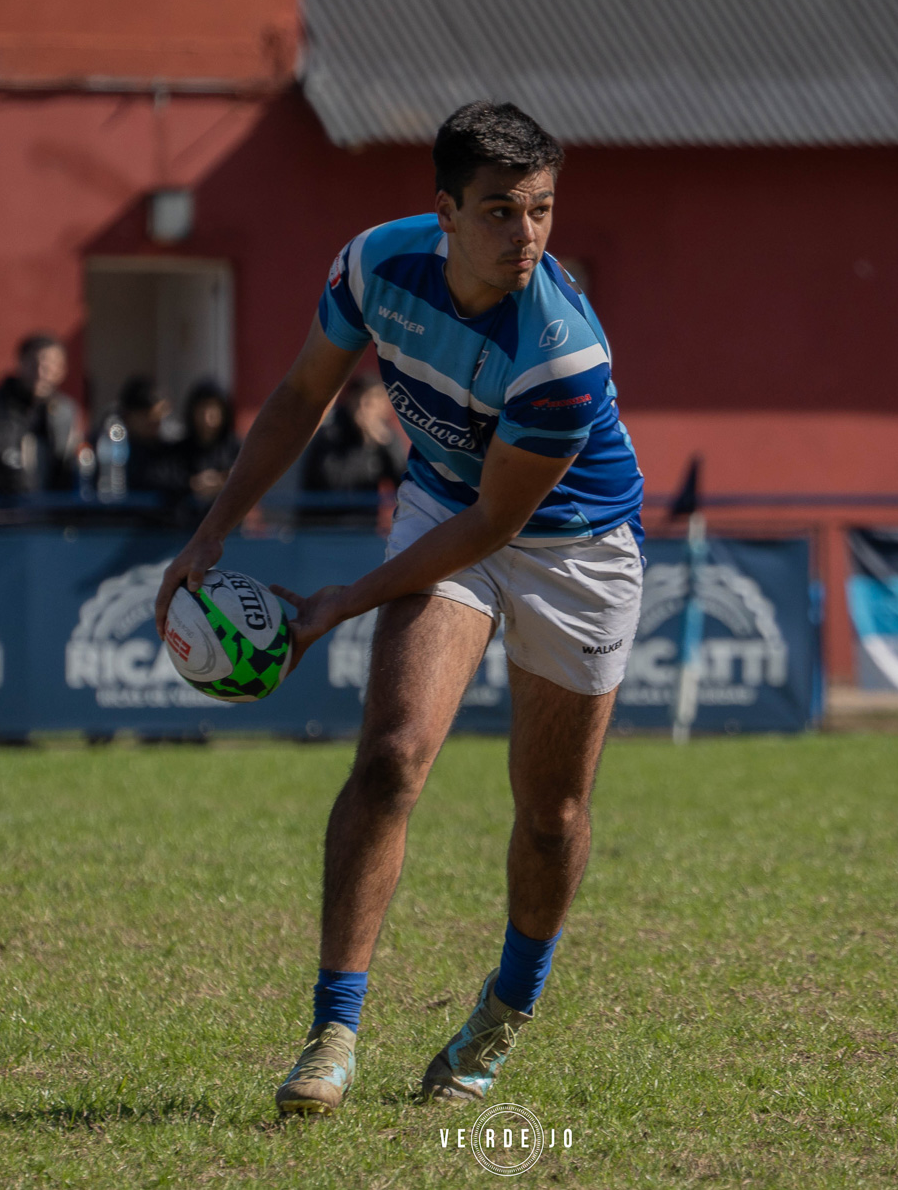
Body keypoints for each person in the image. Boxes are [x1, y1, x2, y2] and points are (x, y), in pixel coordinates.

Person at [155, 101, 645, 1117]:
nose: (528, 237)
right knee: (388, 759)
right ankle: (334, 1032)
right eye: (502, 212)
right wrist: (211, 534)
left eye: (544, 211)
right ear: (446, 213)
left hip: (571, 549)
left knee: (551, 818)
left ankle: (503, 1012)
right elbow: (299, 398)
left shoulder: (561, 350)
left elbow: (492, 532)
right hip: (444, 500)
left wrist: (334, 603)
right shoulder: (375, 265)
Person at [298, 374, 408, 526]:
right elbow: (331, 482)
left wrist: (384, 444)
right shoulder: (330, 433)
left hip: (363, 530)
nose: (363, 407)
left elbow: (402, 485)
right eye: (360, 400)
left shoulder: (386, 437)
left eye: (371, 402)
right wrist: (365, 444)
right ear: (349, 400)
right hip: (323, 528)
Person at [0, 332, 80, 494]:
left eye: (51, 366)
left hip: (53, 509)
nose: (41, 373)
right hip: (3, 507)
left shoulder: (65, 411)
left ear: (62, 371)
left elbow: (69, 458)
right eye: (35, 364)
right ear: (20, 363)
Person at [176, 379, 240, 507]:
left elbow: (247, 476)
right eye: (202, 407)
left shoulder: (236, 448)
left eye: (214, 406)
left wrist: (222, 481)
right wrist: (192, 483)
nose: (208, 414)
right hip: (187, 522)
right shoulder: (179, 450)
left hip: (227, 521)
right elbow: (162, 477)